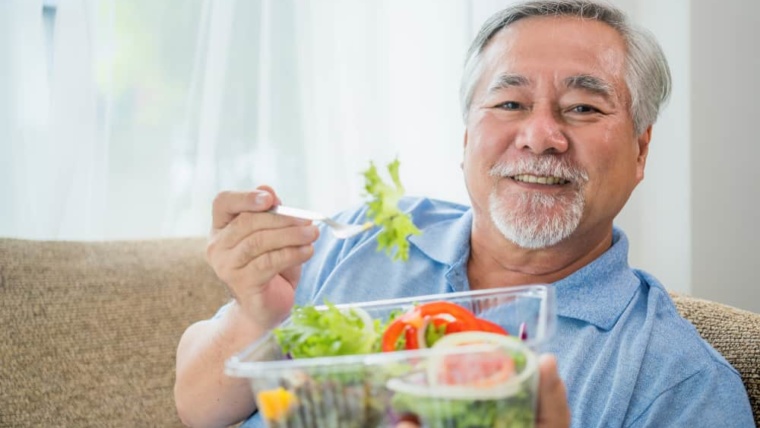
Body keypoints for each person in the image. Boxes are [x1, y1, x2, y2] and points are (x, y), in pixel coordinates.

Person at [175, 0, 755, 427]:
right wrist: (259, 317)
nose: (540, 135)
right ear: (465, 138)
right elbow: (197, 405)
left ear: (641, 150)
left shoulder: (678, 384)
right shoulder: (358, 241)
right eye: (509, 103)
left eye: (582, 107)